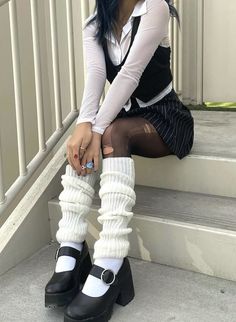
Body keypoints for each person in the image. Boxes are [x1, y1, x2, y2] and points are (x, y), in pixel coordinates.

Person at [45, 0, 194, 321]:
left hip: (165, 117)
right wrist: (84, 125)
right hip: (122, 116)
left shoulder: (155, 8)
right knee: (87, 138)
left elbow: (130, 73)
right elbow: (97, 74)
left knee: (108, 134)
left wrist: (96, 128)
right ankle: (71, 244)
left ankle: (111, 259)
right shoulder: (93, 24)